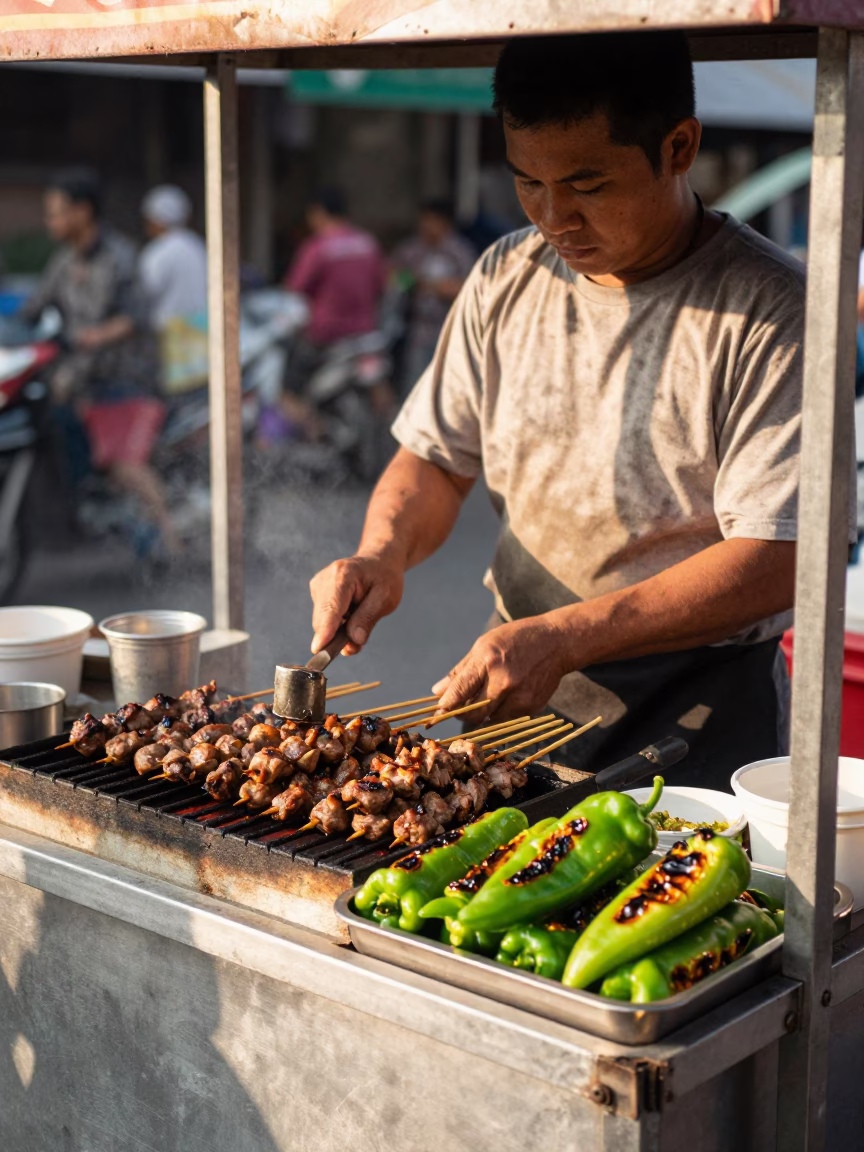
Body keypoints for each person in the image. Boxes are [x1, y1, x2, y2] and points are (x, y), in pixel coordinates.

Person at [308, 32, 813, 791]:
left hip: (696, 713)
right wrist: (382, 550)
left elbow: (778, 559)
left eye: (589, 184)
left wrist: (571, 636)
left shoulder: (772, 310)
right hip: (514, 690)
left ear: (679, 147)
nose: (554, 218)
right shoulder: (506, 274)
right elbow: (437, 460)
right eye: (527, 183)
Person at [22, 167, 177, 550]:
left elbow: (137, 317)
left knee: (120, 464)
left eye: (57, 212)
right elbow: (33, 309)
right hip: (81, 381)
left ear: (83, 211)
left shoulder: (118, 257)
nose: (51, 221)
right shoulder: (64, 262)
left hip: (125, 380)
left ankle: (172, 541)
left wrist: (93, 336)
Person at [270, 188, 389, 442]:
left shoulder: (318, 248)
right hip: (367, 332)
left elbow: (294, 289)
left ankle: (316, 429)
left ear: (318, 213)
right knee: (384, 390)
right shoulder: (368, 243)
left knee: (287, 392)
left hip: (325, 334)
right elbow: (382, 284)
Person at [391, 199, 476, 390]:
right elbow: (395, 277)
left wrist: (430, 285)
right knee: (416, 386)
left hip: (450, 331)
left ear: (444, 222)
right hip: (419, 331)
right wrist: (407, 282)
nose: (425, 226)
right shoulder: (412, 250)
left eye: (430, 220)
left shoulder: (459, 251)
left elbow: (466, 288)